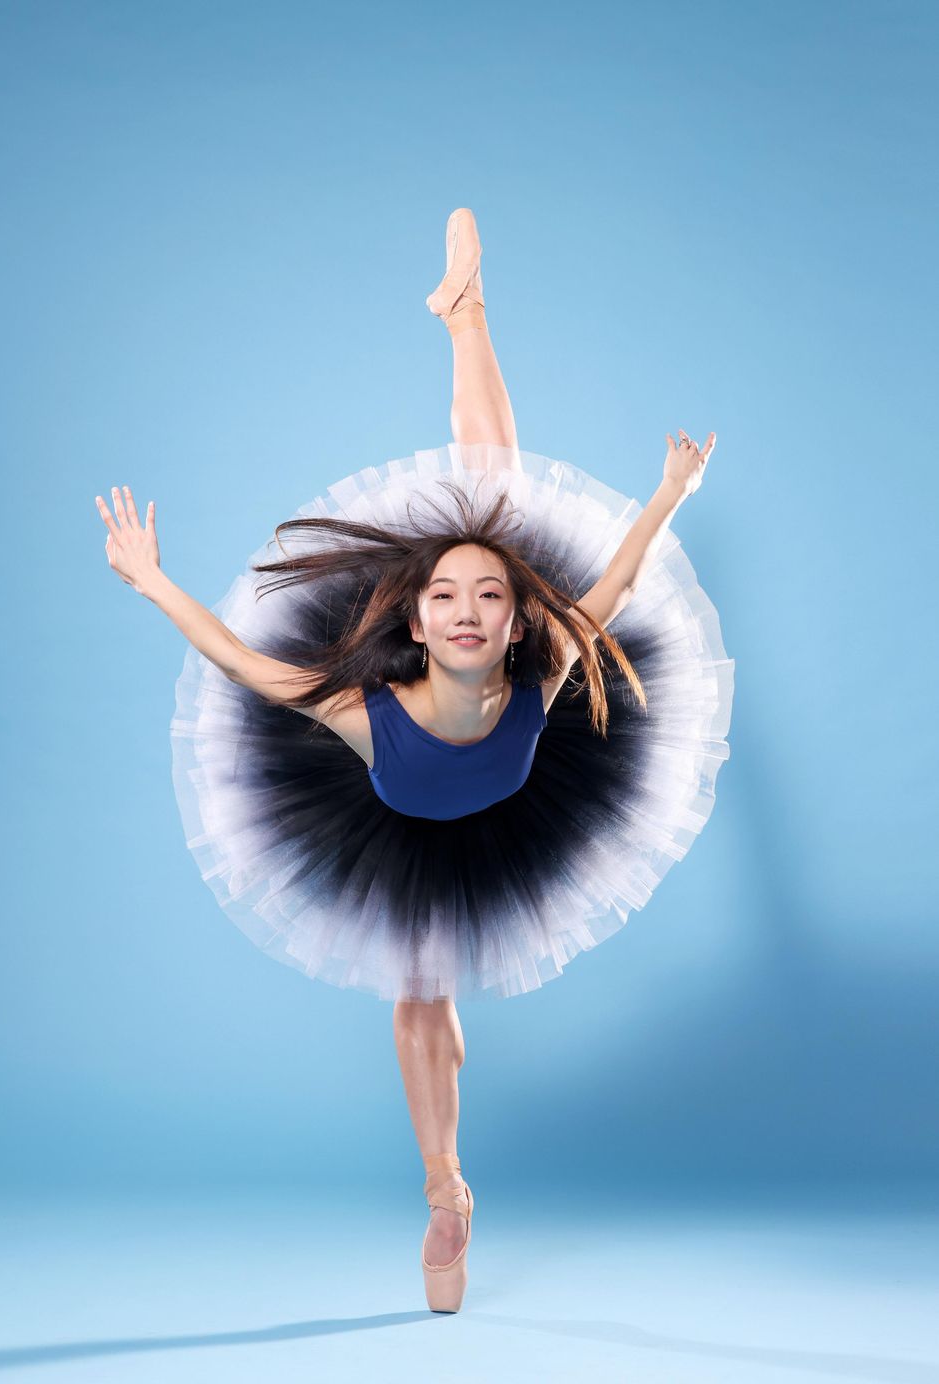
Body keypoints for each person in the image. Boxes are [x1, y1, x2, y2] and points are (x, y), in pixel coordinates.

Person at [95, 208, 734, 1314]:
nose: (470, 607)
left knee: (496, 499)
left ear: (510, 625)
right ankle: (446, 1188)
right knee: (418, 1005)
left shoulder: (540, 665)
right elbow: (247, 666)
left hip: (512, 807)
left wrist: (668, 495)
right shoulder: (364, 707)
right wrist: (155, 584)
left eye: (490, 597)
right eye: (446, 596)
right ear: (422, 628)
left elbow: (614, 587)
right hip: (388, 817)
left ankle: (464, 315)